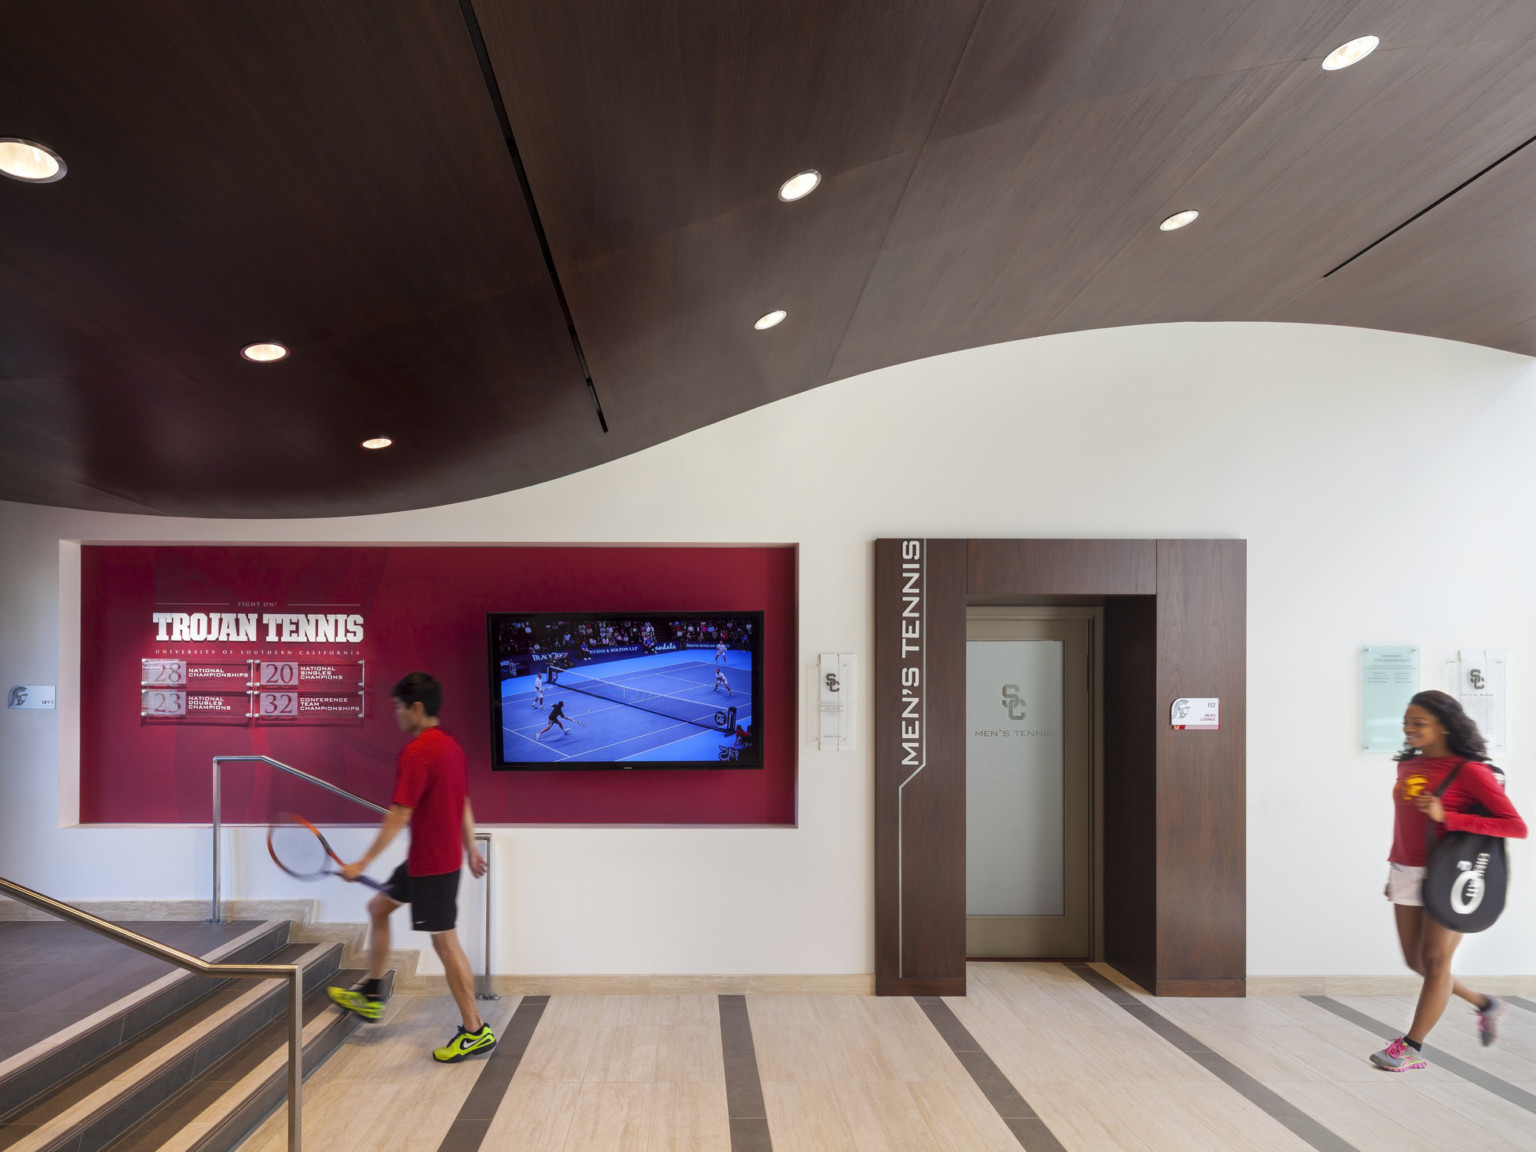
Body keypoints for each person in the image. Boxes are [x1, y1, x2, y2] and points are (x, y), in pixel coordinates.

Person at [327, 672, 496, 1064]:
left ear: (416, 708)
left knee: (444, 943)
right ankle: (372, 994)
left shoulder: (419, 752)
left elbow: (399, 813)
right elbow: (463, 800)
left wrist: (362, 863)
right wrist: (470, 847)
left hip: (432, 866)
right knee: (379, 908)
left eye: (399, 707)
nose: (397, 714)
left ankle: (474, 1030)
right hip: (430, 858)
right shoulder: (451, 747)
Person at [1370, 690, 1526, 1071]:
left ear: (1443, 725)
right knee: (1417, 962)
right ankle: (1485, 1004)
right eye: (1406, 722)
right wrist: (1396, 867)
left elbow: (1515, 826)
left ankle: (1411, 1048)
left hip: (1449, 875)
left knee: (1436, 961)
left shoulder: (1470, 770)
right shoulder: (1407, 765)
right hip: (1405, 869)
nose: (1409, 729)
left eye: (1418, 723)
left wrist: (1448, 816)